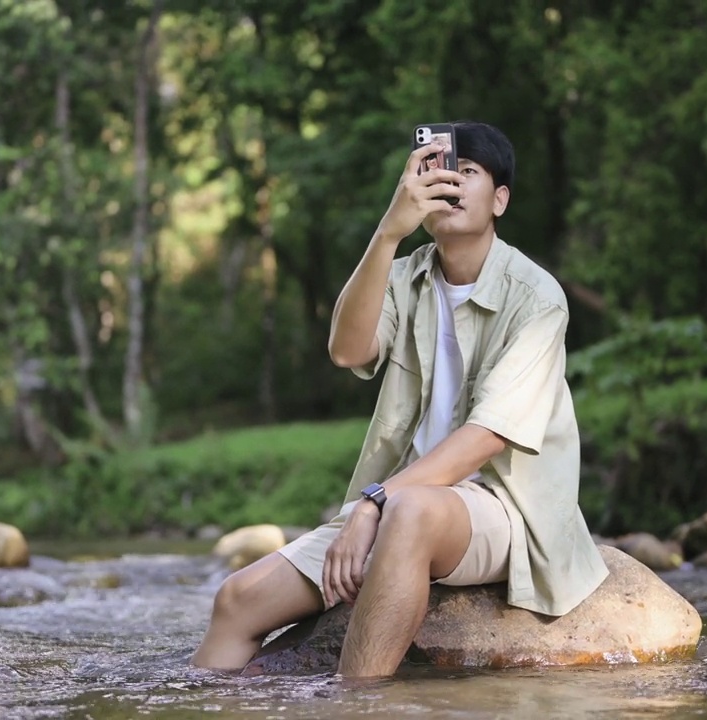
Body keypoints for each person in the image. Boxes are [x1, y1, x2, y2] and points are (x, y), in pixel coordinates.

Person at [190, 120, 609, 679]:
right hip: (404, 500)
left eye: (468, 172)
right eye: (438, 172)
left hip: (502, 507)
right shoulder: (404, 276)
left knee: (409, 512)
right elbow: (347, 349)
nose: (451, 184)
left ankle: (358, 707)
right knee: (236, 600)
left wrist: (374, 504)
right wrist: (389, 232)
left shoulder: (537, 298)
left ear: (500, 199)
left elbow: (487, 437)